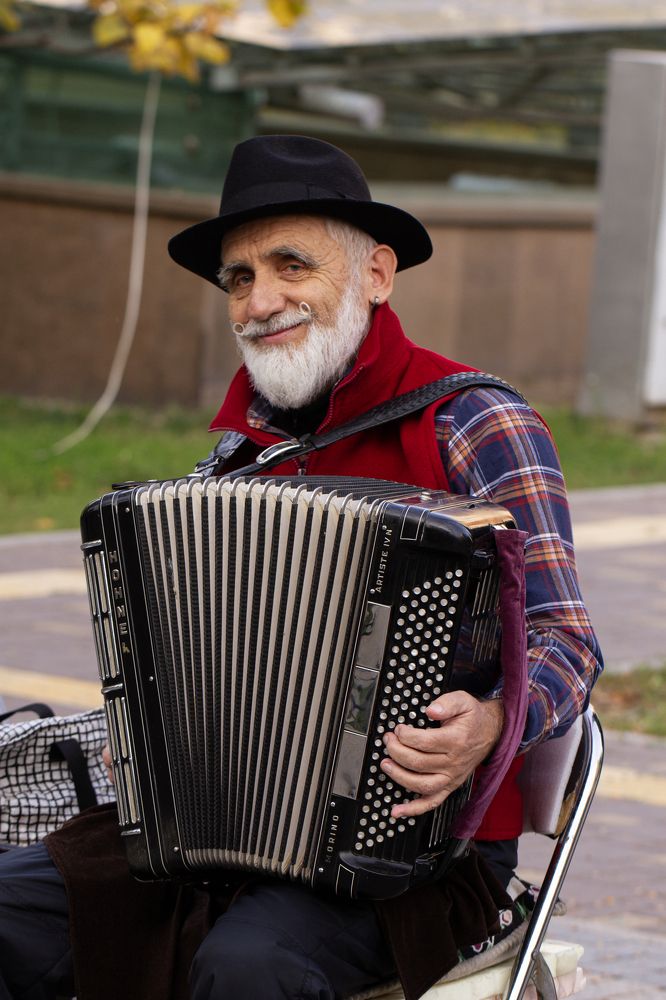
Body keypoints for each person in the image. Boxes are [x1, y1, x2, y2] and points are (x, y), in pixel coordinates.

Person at [0, 135, 603, 1000]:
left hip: (418, 849)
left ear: (377, 274)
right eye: (239, 278)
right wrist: (148, 722)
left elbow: (565, 637)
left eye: (292, 265)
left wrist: (493, 720)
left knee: (249, 966)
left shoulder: (474, 421)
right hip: (215, 832)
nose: (260, 301)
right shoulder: (237, 459)